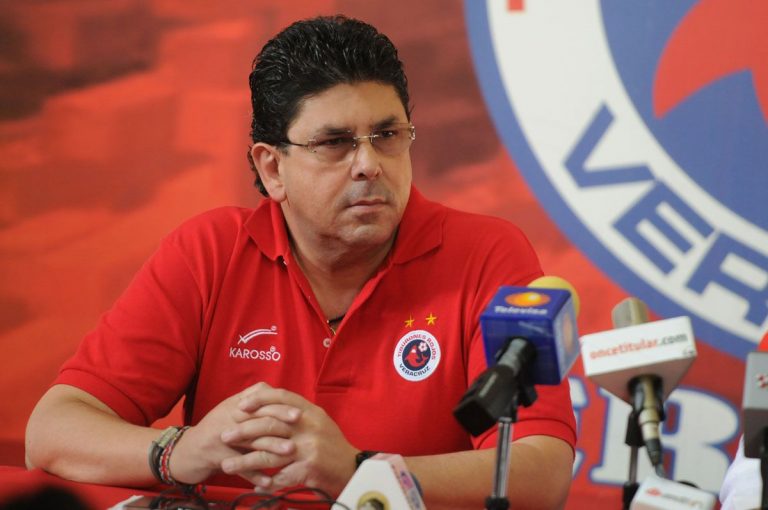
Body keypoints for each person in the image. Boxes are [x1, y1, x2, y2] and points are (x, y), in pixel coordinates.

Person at [25, 15, 576, 509]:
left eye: (387, 135)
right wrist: (179, 452)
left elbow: (541, 471)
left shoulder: (485, 254)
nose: (369, 164)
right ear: (272, 169)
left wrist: (358, 472)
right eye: (335, 142)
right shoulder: (210, 252)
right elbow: (52, 432)